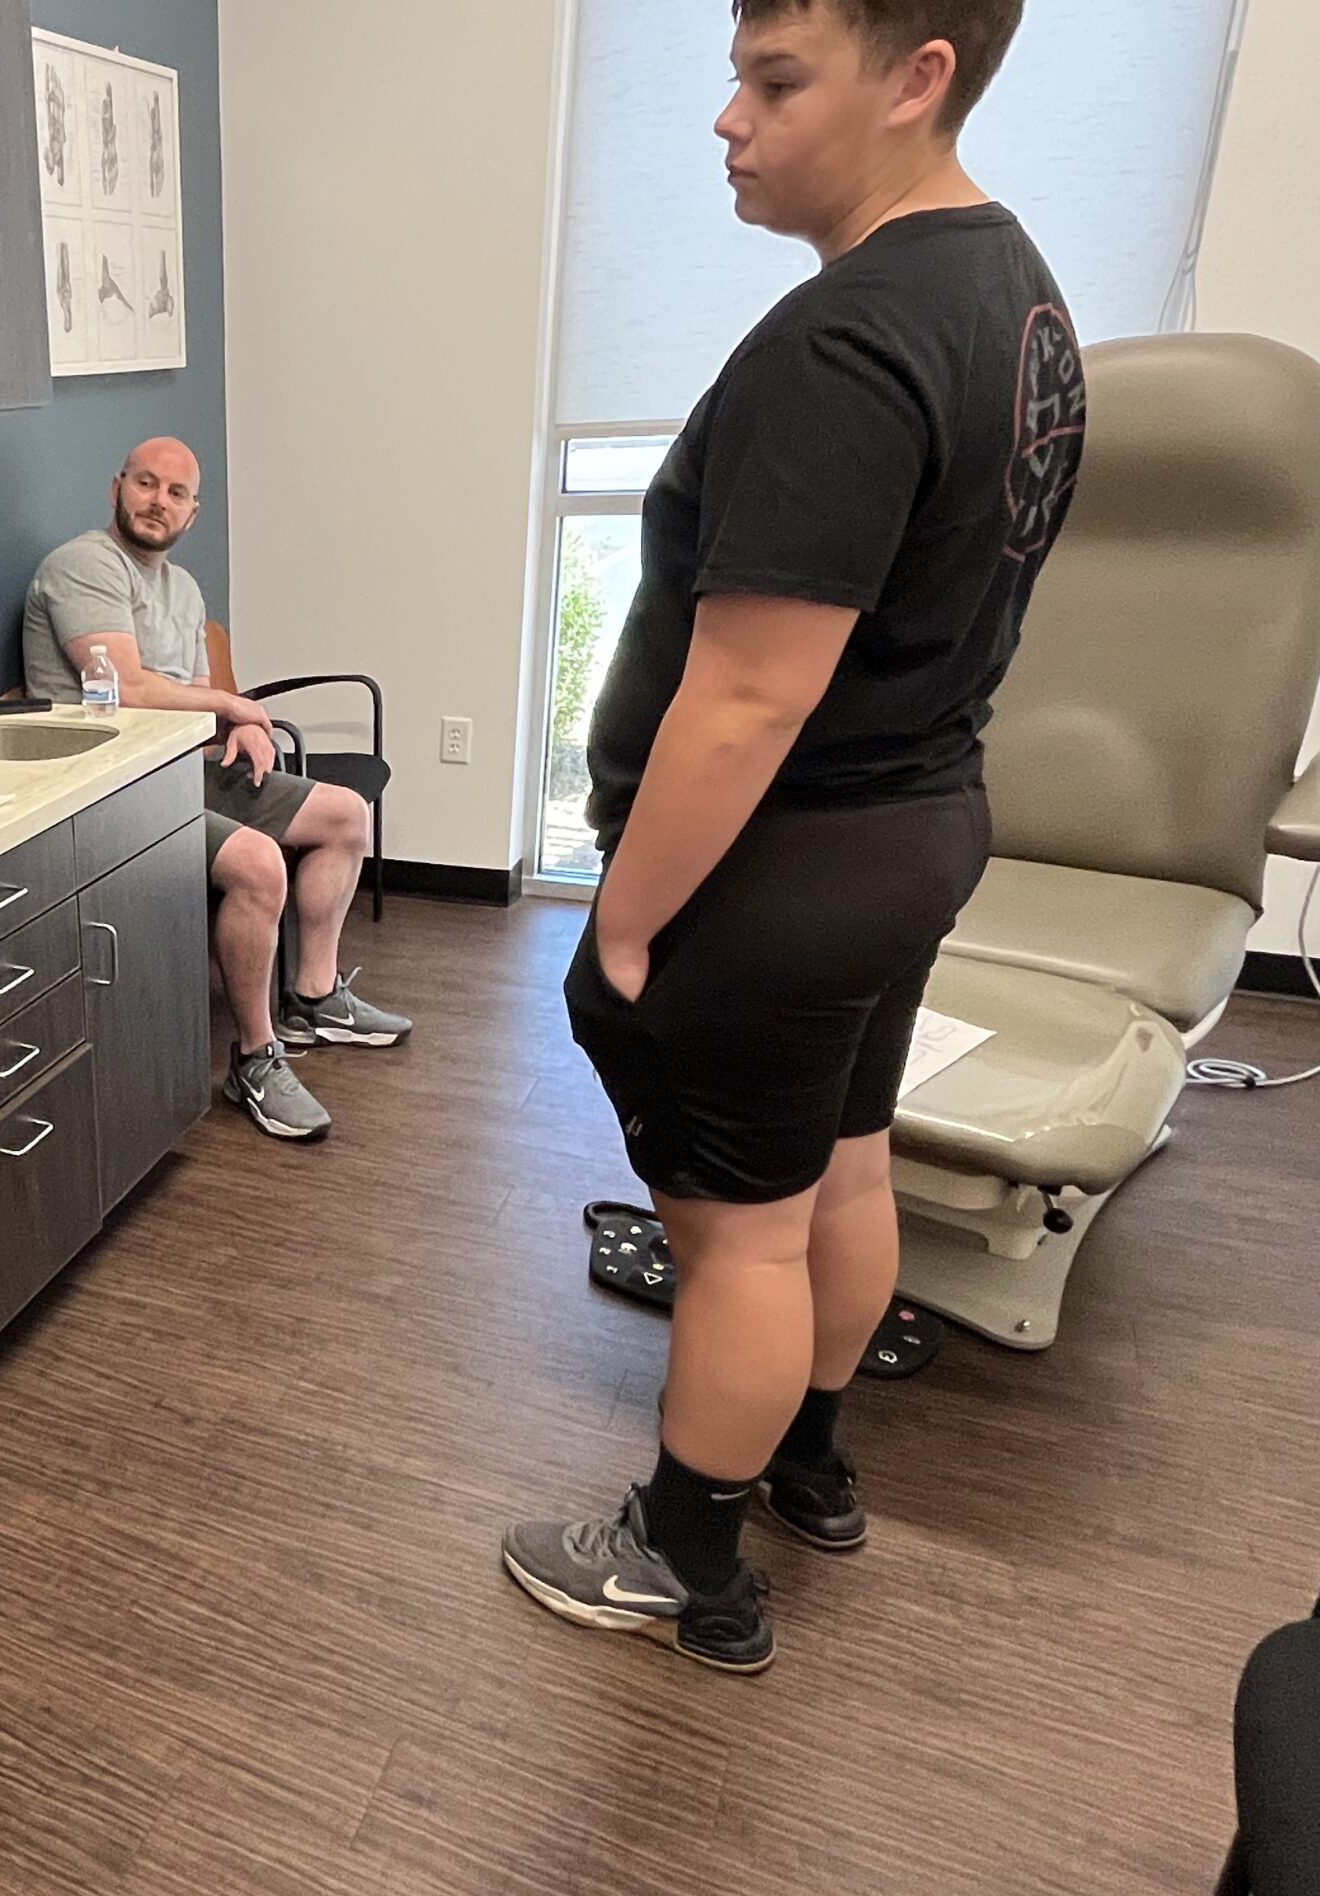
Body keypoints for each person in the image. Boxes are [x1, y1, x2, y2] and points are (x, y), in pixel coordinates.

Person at [502, 0, 1084, 1672]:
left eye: (775, 82)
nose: (728, 121)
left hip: (787, 867)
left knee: (739, 1235)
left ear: (918, 80)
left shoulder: (849, 341)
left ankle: (684, 1558)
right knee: (845, 1165)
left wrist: (625, 923)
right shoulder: (1019, 294)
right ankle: (808, 1463)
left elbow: (749, 696)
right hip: (913, 830)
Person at [23, 436, 411, 1144]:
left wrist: (242, 728)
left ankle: (315, 997)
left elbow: (198, 700)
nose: (158, 502)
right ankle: (256, 1058)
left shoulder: (184, 589)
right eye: (145, 483)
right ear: (116, 487)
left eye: (176, 493)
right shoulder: (83, 566)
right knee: (260, 863)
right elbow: (128, 686)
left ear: (192, 512)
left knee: (345, 815)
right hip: (111, 793)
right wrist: (237, 708)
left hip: (183, 770)